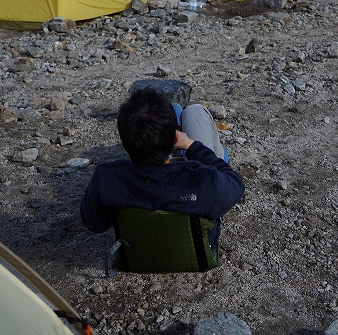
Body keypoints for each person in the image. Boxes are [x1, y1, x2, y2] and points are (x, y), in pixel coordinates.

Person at [80, 88, 244, 252]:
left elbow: (95, 224)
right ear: (174, 139)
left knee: (176, 109)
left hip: (137, 249)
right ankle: (175, 133)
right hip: (197, 247)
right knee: (192, 111)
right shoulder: (204, 181)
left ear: (125, 142)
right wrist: (191, 145)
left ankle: (168, 130)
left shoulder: (106, 177)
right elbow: (234, 182)